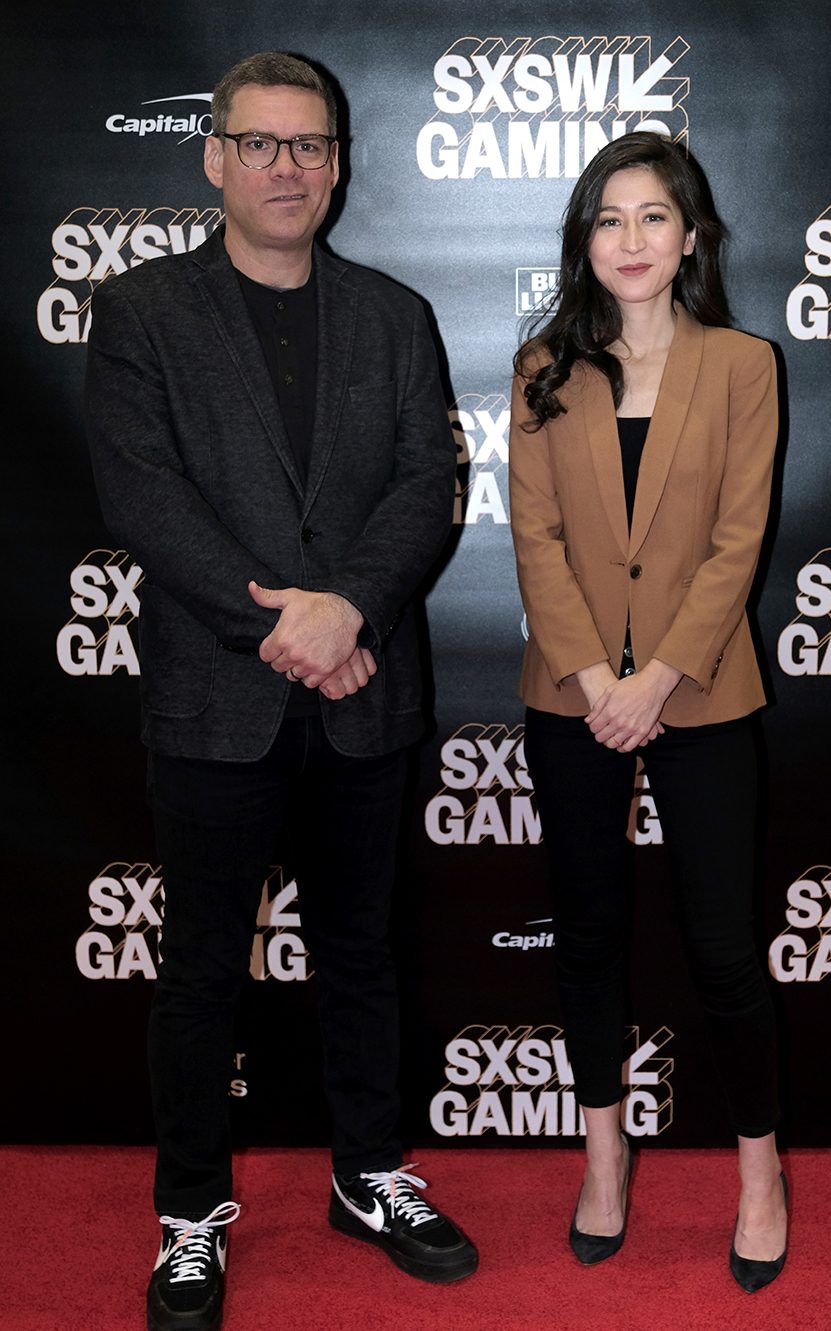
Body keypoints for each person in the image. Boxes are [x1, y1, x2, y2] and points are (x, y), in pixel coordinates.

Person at [85, 50, 477, 1331]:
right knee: (203, 969)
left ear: (339, 164)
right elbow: (144, 493)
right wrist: (289, 627)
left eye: (309, 144)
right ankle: (189, 1213)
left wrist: (348, 608)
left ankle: (368, 1175)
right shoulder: (143, 311)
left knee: (363, 953)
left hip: (364, 695)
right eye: (259, 143)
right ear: (214, 158)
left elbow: (427, 482)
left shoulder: (395, 315)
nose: (286, 168)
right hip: (217, 702)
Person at [508, 131, 787, 1291]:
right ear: (584, 240)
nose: (629, 239)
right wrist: (595, 684)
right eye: (607, 218)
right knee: (586, 935)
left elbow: (738, 540)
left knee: (722, 944)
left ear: (691, 236)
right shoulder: (543, 368)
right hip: (571, 696)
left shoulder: (743, 365)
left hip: (703, 689)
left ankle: (760, 1173)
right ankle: (603, 1156)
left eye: (652, 216)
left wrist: (656, 678)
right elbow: (537, 539)